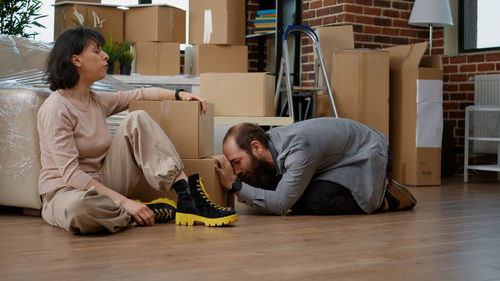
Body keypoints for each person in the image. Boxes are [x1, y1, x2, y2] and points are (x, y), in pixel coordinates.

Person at [38, 27, 237, 234]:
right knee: (79, 210)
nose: (105, 55)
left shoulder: (95, 101)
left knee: (137, 118)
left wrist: (179, 95)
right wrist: (126, 203)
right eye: (97, 51)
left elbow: (139, 94)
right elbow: (71, 175)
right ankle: (139, 212)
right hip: (65, 192)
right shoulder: (56, 109)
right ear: (76, 60)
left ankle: (188, 196)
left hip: (103, 182)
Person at [214, 118, 417, 216]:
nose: (237, 171)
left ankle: (385, 196)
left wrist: (235, 186)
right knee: (280, 188)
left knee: (316, 200)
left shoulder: (299, 151)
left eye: (236, 162)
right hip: (339, 156)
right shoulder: (270, 143)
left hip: (369, 154)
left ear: (256, 147)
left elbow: (281, 204)